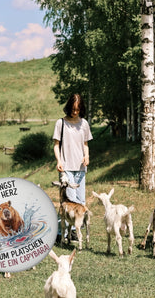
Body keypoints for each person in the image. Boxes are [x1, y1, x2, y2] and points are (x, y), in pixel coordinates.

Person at [53, 94, 93, 240]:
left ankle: (74, 232)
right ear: (68, 107)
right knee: (68, 201)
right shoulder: (61, 123)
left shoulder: (84, 124)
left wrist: (86, 156)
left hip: (81, 168)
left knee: (81, 202)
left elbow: (85, 144)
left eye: (77, 109)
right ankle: (60, 234)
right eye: (72, 108)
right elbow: (56, 145)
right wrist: (59, 161)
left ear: (81, 109)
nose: (75, 112)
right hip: (66, 168)